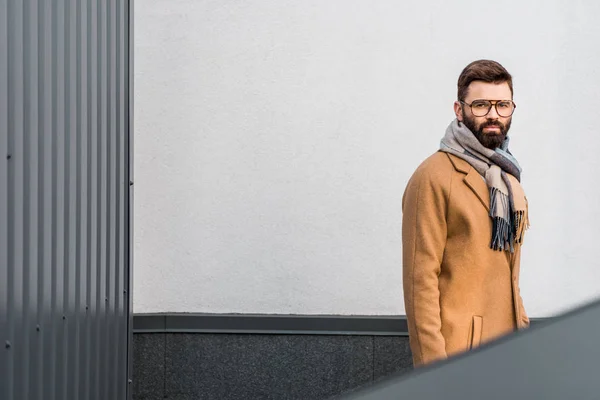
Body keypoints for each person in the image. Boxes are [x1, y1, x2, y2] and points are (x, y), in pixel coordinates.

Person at [402, 60, 530, 367]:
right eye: (481, 105)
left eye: (502, 105)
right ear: (460, 110)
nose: (493, 115)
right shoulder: (433, 176)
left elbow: (508, 269)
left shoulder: (507, 178)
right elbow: (420, 282)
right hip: (459, 353)